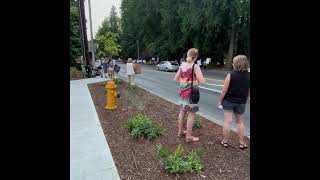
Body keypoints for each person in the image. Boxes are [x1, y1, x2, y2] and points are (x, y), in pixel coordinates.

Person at [218, 55, 250, 150]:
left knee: (227, 121)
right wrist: (247, 99)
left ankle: (225, 141)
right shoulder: (249, 76)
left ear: (236, 64)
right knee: (240, 122)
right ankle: (242, 143)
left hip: (229, 101)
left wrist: (220, 101)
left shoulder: (231, 75)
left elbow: (224, 90)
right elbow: (248, 90)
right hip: (241, 101)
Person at [174, 48, 205, 142]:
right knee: (191, 115)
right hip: (192, 94)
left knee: (182, 112)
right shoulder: (195, 66)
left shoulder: (182, 65)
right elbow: (203, 81)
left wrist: (185, 81)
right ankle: (188, 136)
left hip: (182, 92)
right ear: (195, 56)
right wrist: (194, 81)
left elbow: (176, 78)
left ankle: (180, 132)